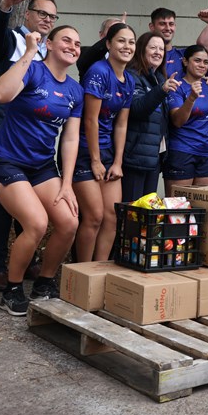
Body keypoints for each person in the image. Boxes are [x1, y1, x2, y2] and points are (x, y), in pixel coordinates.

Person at [0, 26, 83, 315]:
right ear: (49, 44)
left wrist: (66, 184)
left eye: (77, 43)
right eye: (66, 39)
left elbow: (71, 138)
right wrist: (28, 52)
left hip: (41, 166)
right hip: (4, 160)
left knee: (68, 223)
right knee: (37, 223)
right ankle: (12, 290)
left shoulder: (75, 90)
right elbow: (0, 94)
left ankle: (44, 282)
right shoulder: (32, 69)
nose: (73, 46)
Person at [0, 0, 57, 291]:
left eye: (52, 16)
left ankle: (27, 260)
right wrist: (4, 5)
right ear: (28, 14)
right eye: (42, 13)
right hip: (4, 132)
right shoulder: (13, 39)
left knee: (30, 202)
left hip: (35, 139)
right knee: (3, 205)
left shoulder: (49, 50)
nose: (47, 19)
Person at [73, 23, 136, 262]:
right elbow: (90, 120)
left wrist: (117, 162)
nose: (127, 46)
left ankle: (99, 271)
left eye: (131, 42)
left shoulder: (129, 80)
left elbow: (121, 124)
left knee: (112, 217)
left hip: (109, 153)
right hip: (84, 150)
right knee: (94, 217)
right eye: (121, 41)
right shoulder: (98, 71)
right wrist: (96, 161)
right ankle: (82, 272)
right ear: (108, 44)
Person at [121, 32, 181, 202]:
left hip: (153, 158)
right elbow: (137, 109)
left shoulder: (159, 77)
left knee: (147, 212)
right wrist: (161, 90)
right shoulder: (132, 75)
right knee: (133, 211)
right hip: (135, 157)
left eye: (161, 49)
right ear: (141, 50)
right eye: (153, 47)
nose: (158, 52)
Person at [164, 44, 208, 188]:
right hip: (182, 151)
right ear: (185, 61)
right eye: (197, 60)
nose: (202, 65)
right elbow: (177, 121)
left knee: (206, 208)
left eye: (206, 62)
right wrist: (191, 98)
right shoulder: (177, 86)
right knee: (178, 207)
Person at [76, 13, 126, 81]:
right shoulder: (85, 52)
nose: (117, 33)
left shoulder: (128, 58)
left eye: (120, 31)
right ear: (101, 34)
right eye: (112, 29)